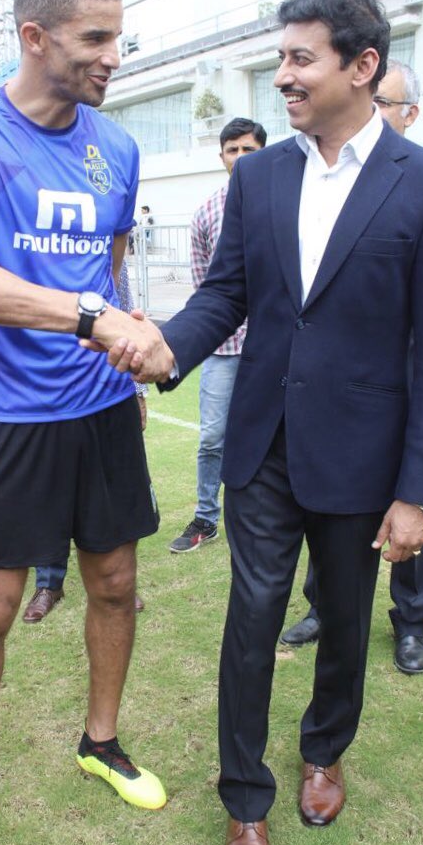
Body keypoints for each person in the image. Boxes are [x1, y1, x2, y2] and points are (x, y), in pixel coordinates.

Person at [95, 0, 423, 845]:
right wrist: (164, 347)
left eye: (301, 59)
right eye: (282, 59)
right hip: (262, 443)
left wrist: (418, 491)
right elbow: (228, 294)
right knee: (251, 620)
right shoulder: (258, 177)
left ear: (362, 66)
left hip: (361, 457)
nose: (284, 78)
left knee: (341, 624)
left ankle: (323, 753)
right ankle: (246, 802)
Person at [0, 0, 167, 845]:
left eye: (118, 36)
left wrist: (125, 342)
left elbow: (109, 273)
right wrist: (91, 319)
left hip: (101, 409)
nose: (115, 56)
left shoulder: (117, 144)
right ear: (34, 37)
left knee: (115, 582)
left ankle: (100, 741)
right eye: (95, 38)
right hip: (9, 415)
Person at [281, 60, 423, 677]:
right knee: (331, 502)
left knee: (413, 504)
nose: (374, 111)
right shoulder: (327, 176)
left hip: (403, 390)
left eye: (388, 102)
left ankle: (411, 621)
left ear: (409, 114)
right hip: (342, 396)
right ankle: (326, 606)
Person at [22, 260, 148, 622]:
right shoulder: (38, 258)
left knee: (109, 494)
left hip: (106, 392)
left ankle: (118, 585)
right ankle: (49, 584)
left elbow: (127, 318)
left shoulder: (109, 255)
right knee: (51, 491)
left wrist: (138, 391)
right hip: (48, 394)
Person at [170, 118, 267, 554]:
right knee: (212, 437)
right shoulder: (207, 212)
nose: (241, 158)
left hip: (273, 348)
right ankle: (206, 519)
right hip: (224, 349)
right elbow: (205, 288)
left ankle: (274, 520)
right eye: (233, 150)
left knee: (279, 435)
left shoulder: (285, 203)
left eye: (250, 149)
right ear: (222, 156)